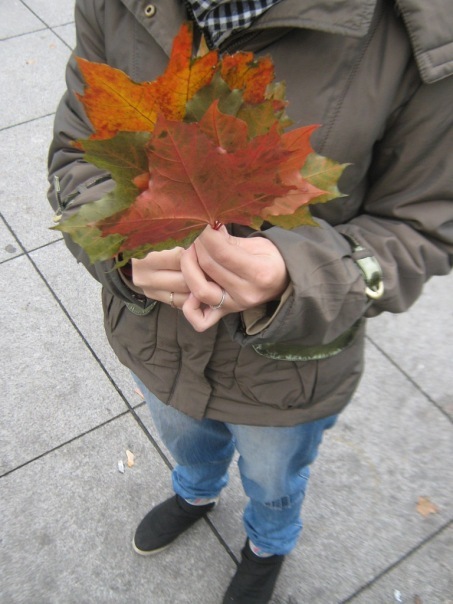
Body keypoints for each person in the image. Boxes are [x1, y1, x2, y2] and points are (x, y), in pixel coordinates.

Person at [48, 1, 453, 602]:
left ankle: (268, 541)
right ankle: (197, 492)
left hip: (288, 375)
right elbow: (77, 155)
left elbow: (422, 228)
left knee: (273, 477)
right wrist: (125, 245)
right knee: (186, 441)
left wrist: (299, 274)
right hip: (156, 345)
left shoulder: (424, 38)